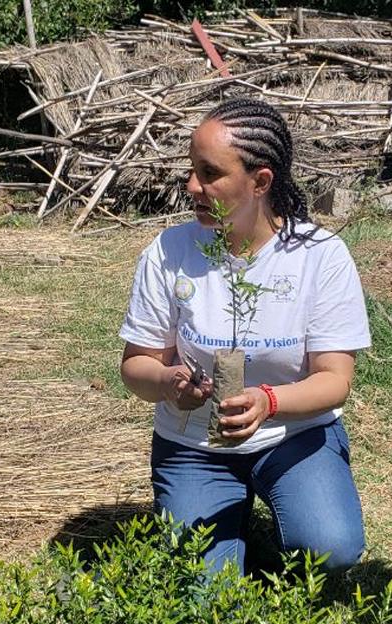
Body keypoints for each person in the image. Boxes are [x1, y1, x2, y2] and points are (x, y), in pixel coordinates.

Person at [118, 98, 371, 575]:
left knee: (330, 548)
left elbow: (335, 380)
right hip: (195, 444)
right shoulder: (170, 251)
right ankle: (220, 514)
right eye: (191, 170)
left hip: (293, 436)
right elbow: (136, 365)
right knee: (200, 583)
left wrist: (268, 402)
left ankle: (291, 500)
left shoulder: (320, 256)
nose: (193, 186)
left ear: (261, 182)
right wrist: (169, 383)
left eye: (210, 173)